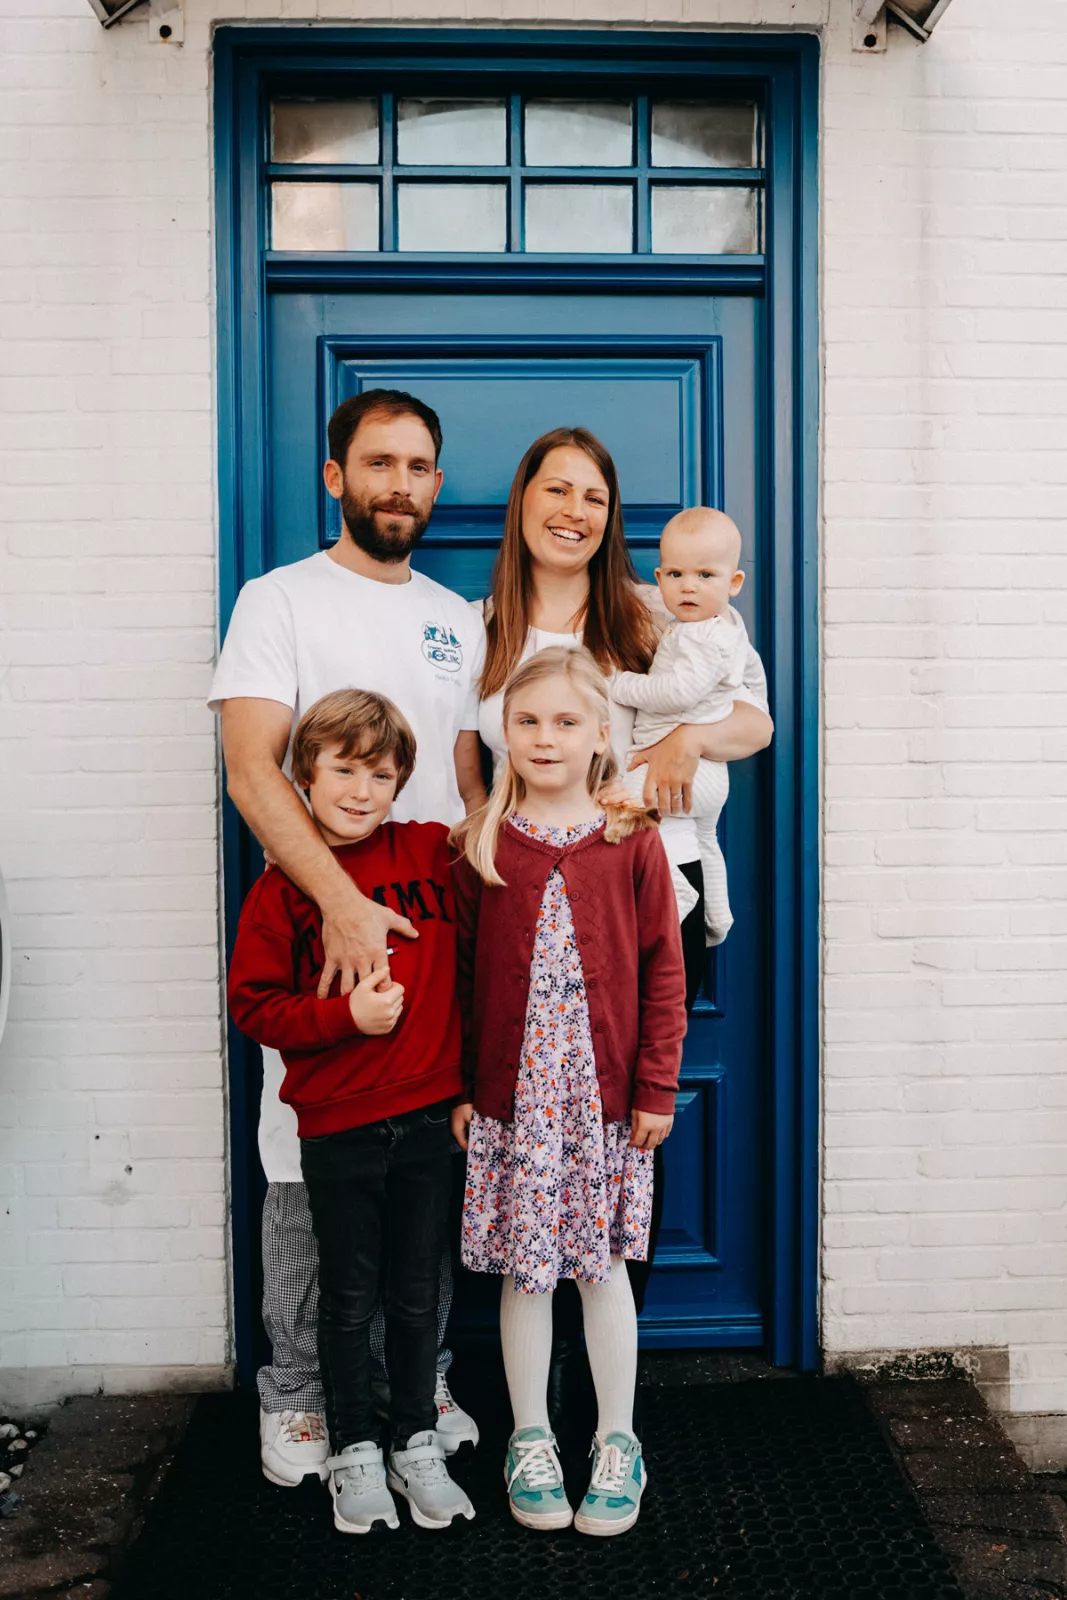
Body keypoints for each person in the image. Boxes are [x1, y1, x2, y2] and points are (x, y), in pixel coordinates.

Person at [209, 390, 485, 1489]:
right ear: (336, 477)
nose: (401, 485)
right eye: (379, 463)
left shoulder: (457, 615)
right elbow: (249, 770)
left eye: (419, 466)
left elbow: (465, 780)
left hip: (426, 921)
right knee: (306, 1167)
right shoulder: (276, 601)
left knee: (420, 1170)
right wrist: (335, 901)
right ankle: (301, 1396)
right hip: (327, 928)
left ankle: (417, 1391)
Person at [475, 426, 773, 1337]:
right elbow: (462, 772)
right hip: (519, 898)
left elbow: (754, 720)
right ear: (522, 501)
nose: (573, 512)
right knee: (514, 1117)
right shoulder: (478, 626)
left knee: (631, 1124)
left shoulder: (655, 613)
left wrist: (687, 739)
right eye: (554, 490)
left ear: (612, 522)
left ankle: (612, 1382)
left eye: (593, 498)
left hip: (648, 888)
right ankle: (526, 1368)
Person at [450, 647, 686, 1537]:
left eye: (563, 722)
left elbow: (664, 972)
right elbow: (465, 978)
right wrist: (466, 1090)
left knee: (602, 1271)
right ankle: (531, 1437)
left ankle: (617, 1439)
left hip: (604, 1105)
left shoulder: (631, 840)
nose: (543, 737)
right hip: (516, 1104)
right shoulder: (479, 843)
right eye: (526, 721)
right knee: (525, 1269)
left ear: (600, 738)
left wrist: (655, 1086)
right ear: (503, 733)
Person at [228, 689, 475, 1534]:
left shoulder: (434, 852)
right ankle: (353, 1452)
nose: (362, 789)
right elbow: (254, 1006)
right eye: (343, 769)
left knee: (415, 1291)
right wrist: (345, 1019)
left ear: (403, 779)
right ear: (305, 773)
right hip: (336, 1124)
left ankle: (414, 1440)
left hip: (428, 1117)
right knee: (347, 1295)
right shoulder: (285, 889)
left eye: (381, 772)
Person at [614, 507, 751, 946]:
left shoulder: (703, 636)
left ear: (734, 584)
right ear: (658, 577)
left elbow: (677, 693)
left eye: (705, 575)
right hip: (708, 777)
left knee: (619, 807)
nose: (688, 586)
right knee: (705, 837)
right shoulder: (712, 627)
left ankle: (679, 892)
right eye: (675, 574)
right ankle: (718, 917)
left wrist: (621, 684)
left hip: (686, 770)